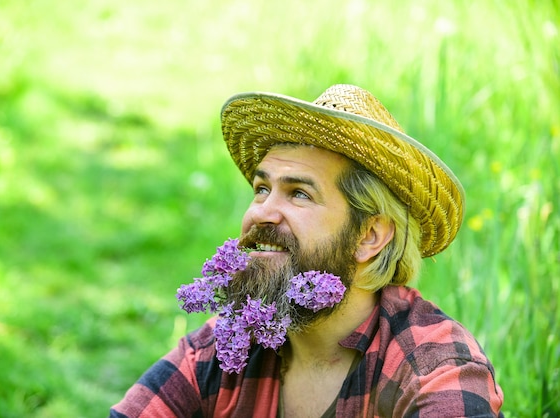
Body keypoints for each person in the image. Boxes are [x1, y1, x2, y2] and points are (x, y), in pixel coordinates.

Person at [110, 84, 504, 417]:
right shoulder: (225, 346)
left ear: (370, 235)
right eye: (262, 189)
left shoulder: (434, 366)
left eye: (299, 193)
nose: (261, 212)